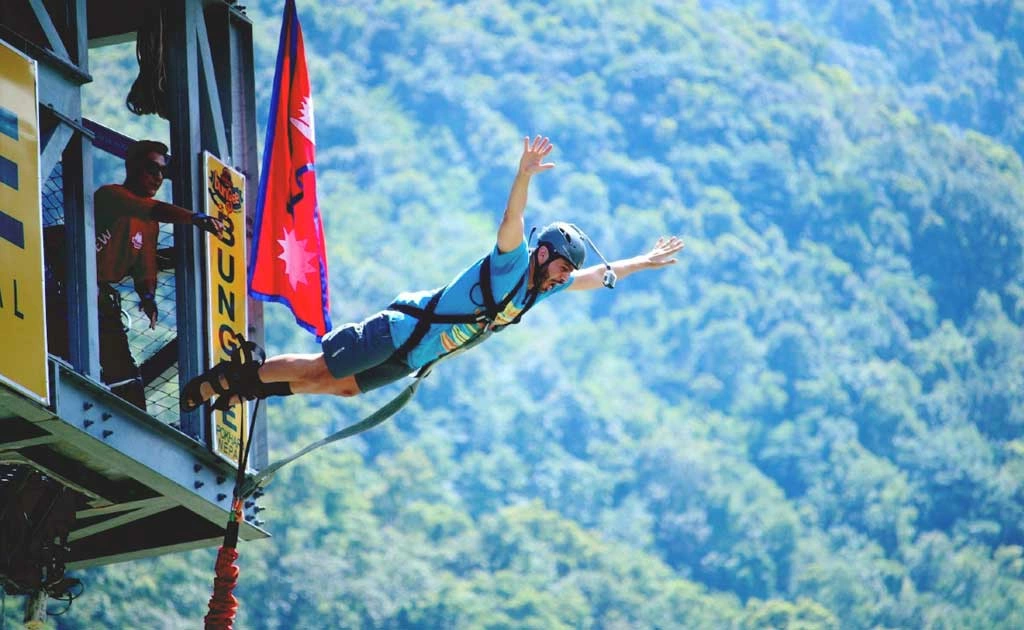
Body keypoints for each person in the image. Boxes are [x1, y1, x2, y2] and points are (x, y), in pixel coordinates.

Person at [180, 135, 684, 411]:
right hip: (404, 329)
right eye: (560, 264)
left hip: (414, 356)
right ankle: (230, 377)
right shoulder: (510, 263)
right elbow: (511, 221)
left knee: (341, 387)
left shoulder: (540, 292)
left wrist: (644, 259)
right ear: (542, 252)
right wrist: (522, 176)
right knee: (322, 368)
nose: (564, 274)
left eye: (566, 270)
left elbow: (600, 274)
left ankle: (251, 387)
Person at [94, 139, 224, 410]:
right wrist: (195, 217)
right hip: (61, 284)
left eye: (162, 172)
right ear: (132, 167)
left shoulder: (148, 223)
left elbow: (145, 263)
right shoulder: (111, 196)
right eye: (151, 169)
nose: (158, 177)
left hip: (100, 297)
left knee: (125, 377)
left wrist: (148, 296)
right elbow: (152, 208)